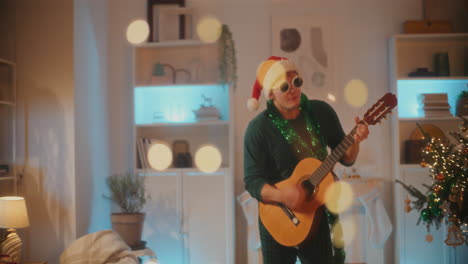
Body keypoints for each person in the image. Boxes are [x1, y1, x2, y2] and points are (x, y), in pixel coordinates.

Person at [243, 56, 369, 264]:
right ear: (271, 93)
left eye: (297, 82)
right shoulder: (258, 129)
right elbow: (252, 181)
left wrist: (356, 141)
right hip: (277, 217)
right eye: (284, 86)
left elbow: (346, 158)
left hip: (317, 214)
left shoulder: (321, 112)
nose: (292, 89)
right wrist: (282, 195)